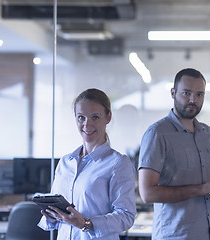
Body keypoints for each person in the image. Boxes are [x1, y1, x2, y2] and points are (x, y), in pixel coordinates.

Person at [138, 68, 210, 240]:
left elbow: (206, 183)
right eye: (186, 93)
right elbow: (147, 193)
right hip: (177, 234)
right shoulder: (157, 133)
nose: (192, 100)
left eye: (199, 94)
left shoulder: (208, 133)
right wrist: (201, 189)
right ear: (173, 93)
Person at [38, 88, 137, 240]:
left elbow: (126, 216)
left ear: (108, 117)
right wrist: (52, 215)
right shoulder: (66, 162)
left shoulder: (118, 163)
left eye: (95, 117)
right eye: (81, 117)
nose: (87, 124)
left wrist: (86, 223)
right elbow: (60, 218)